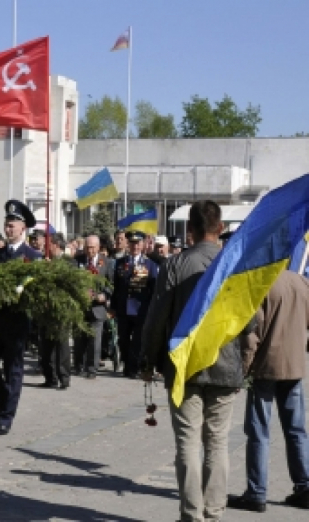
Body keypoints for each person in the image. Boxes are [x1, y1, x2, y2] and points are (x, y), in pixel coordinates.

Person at [142, 200, 251, 522]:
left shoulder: (175, 265)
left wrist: (148, 359)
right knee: (217, 443)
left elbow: (157, 317)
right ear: (220, 229)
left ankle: (191, 516)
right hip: (226, 363)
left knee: (188, 443)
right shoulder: (236, 265)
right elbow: (252, 319)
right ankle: (214, 514)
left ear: (189, 230)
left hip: (184, 365)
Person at [227, 270, 309, 513]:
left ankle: (256, 493)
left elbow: (252, 336)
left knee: (259, 431)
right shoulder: (301, 281)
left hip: (265, 367)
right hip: (293, 366)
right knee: (296, 430)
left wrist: (242, 371)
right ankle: (304, 486)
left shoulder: (261, 283)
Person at [0, 199, 42, 436]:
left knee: (13, 368)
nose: (9, 227)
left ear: (23, 227)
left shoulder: (32, 256)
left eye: (13, 223)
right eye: (7, 223)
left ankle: (6, 416)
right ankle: (5, 400)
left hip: (17, 320)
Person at [111, 231, 158, 379]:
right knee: (123, 339)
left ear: (143, 245)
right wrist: (113, 307)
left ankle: (134, 367)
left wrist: (152, 308)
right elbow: (115, 287)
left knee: (138, 340)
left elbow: (153, 288)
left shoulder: (150, 264)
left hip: (140, 308)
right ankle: (127, 364)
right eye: (132, 243)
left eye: (137, 244)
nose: (135, 246)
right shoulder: (120, 263)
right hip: (124, 308)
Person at [72, 235, 115, 379]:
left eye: (92, 247)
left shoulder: (106, 262)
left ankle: (92, 369)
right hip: (81, 306)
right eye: (87, 247)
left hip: (98, 307)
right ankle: (78, 365)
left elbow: (111, 284)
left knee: (95, 341)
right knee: (79, 339)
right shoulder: (77, 261)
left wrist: (105, 295)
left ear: (98, 248)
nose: (89, 250)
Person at [38, 233, 74, 389]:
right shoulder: (43, 262)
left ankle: (64, 377)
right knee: (45, 345)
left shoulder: (69, 263)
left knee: (61, 345)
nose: (45, 247)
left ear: (56, 245)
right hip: (45, 310)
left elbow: (70, 285)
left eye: (48, 244)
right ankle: (49, 377)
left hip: (62, 309)